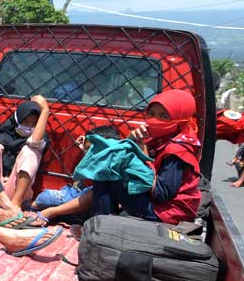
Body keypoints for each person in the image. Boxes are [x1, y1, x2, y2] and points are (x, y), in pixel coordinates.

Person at [38, 90, 202, 225]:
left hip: (168, 214)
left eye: (164, 116)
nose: (154, 120)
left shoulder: (177, 151)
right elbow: (124, 158)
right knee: (109, 170)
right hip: (156, 204)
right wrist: (131, 141)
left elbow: (161, 194)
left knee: (107, 175)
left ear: (179, 119)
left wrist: (143, 155)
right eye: (151, 114)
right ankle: (102, 224)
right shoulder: (160, 139)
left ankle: (100, 226)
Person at [0, 96, 52, 219]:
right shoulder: (3, 134)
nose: (29, 127)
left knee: (30, 151)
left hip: (15, 191)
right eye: (25, 122)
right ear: (17, 120)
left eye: (34, 124)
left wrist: (45, 111)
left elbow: (34, 141)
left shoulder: (42, 139)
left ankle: (16, 204)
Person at [30, 125, 121, 212]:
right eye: (88, 149)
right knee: (45, 198)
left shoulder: (110, 167)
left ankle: (34, 208)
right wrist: (84, 147)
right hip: (76, 192)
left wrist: (51, 212)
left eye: (92, 149)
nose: (89, 152)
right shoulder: (96, 158)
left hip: (86, 199)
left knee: (47, 198)